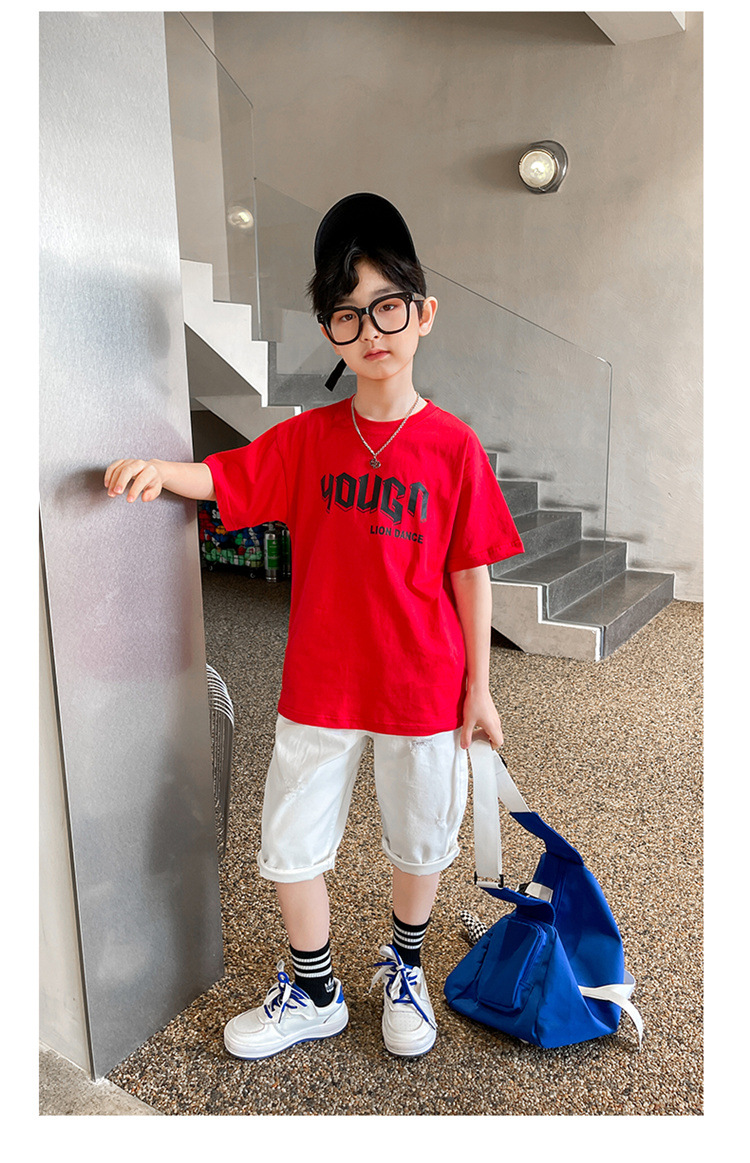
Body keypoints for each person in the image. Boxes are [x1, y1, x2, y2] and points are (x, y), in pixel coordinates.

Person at [103, 192, 524, 1061]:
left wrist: (480, 688)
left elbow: (470, 571)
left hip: (423, 683)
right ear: (330, 333)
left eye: (387, 306)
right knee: (291, 841)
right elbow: (228, 477)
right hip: (322, 681)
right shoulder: (309, 439)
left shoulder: (454, 447)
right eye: (347, 313)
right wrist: (162, 471)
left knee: (422, 836)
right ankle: (315, 987)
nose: (371, 329)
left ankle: (404, 965)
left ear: (423, 314)